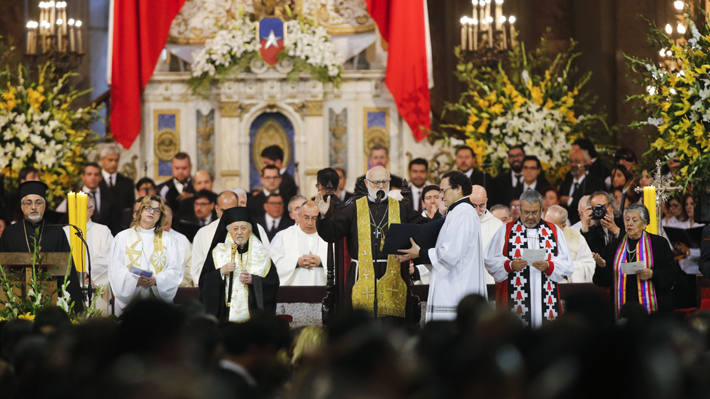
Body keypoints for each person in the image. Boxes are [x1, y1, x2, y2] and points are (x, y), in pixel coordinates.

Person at [316, 165, 427, 317]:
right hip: (361, 274)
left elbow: (423, 230)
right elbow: (331, 234)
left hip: (393, 273)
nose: (381, 186)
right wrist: (323, 216)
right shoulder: (353, 208)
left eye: (384, 182)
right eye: (376, 182)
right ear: (367, 184)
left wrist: (440, 214)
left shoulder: (401, 208)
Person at [398, 171, 488, 321]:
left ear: (458, 188)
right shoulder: (457, 212)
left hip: (457, 288)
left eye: (443, 190)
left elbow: (450, 254)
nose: (441, 196)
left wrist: (420, 253)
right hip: (453, 283)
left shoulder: (463, 213)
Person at [484, 190, 574, 327]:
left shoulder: (554, 231)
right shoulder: (505, 231)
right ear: (519, 210)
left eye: (535, 212)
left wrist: (549, 266)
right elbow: (490, 260)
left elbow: (567, 263)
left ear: (541, 209)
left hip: (546, 298)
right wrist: (510, 265)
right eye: (526, 212)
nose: (530, 217)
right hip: (514, 296)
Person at [0, 181, 85, 312]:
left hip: (51, 304)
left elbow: (68, 274)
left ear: (44, 206)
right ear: (22, 207)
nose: (33, 207)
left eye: (38, 202)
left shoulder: (57, 232)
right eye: (28, 203)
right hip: (17, 303)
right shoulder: (10, 233)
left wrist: (74, 310)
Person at [592, 203, 677, 318]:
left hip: (654, 306)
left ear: (645, 223)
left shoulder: (658, 244)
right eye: (627, 220)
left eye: (635, 220)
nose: (629, 223)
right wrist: (602, 266)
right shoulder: (614, 246)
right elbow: (603, 281)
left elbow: (672, 274)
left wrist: (653, 274)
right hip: (623, 306)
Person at [199, 207, 280, 321]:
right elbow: (203, 281)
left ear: (250, 230)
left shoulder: (262, 254)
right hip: (225, 315)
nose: (239, 232)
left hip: (252, 315)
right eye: (235, 229)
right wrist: (220, 272)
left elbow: (273, 283)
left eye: (243, 228)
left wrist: (254, 280)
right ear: (229, 231)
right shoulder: (218, 253)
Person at [107, 195, 184, 315]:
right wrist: (135, 280)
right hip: (131, 303)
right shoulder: (122, 238)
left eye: (157, 210)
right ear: (140, 211)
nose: (152, 212)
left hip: (158, 304)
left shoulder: (169, 240)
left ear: (160, 216)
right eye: (148, 208)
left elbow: (176, 270)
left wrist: (156, 280)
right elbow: (115, 270)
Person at [190, 190, 271, 286]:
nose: (227, 215)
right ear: (216, 208)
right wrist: (219, 274)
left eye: (231, 210)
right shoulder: (203, 234)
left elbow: (266, 261)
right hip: (215, 291)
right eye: (223, 211)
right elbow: (197, 269)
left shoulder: (255, 229)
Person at [269, 201, 327, 286]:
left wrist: (321, 262)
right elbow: (272, 263)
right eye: (306, 217)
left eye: (314, 218)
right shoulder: (283, 236)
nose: (310, 223)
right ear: (299, 216)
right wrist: (296, 262)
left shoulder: (328, 236)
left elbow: (340, 263)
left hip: (323, 291)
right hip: (292, 293)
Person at [544, 205, 595, 283]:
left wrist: (565, 268)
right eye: (545, 223)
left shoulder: (577, 237)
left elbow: (589, 266)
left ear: (563, 226)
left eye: (551, 226)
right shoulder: (535, 234)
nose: (546, 229)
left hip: (567, 288)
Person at [559, 148, 604, 224]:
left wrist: (570, 201)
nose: (573, 164)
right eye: (571, 161)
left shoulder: (596, 182)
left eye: (577, 161)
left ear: (586, 163)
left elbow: (595, 204)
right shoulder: (566, 183)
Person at [469, 185, 504, 284]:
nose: (477, 211)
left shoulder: (496, 224)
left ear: (487, 201)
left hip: (487, 278)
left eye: (481, 206)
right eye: (474, 206)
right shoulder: (459, 221)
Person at [98, 143, 135, 231]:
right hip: (100, 229)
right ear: (102, 160)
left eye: (116, 160)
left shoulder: (127, 183)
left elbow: (131, 208)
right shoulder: (96, 182)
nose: (114, 163)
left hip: (121, 229)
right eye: (110, 160)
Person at [157, 152, 196, 223]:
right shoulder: (162, 188)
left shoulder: (198, 186)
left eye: (184, 168)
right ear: (172, 167)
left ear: (190, 167)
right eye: (177, 168)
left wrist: (192, 196)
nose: (180, 171)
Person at [162, 206, 193, 287]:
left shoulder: (182, 240)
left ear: (171, 222)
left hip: (178, 288)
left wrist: (171, 282)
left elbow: (191, 267)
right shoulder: (145, 238)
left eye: (165, 224)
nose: (162, 228)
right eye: (159, 223)